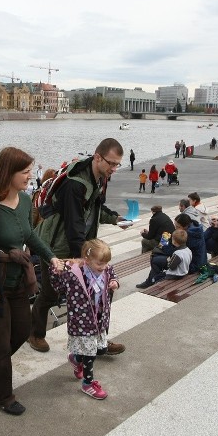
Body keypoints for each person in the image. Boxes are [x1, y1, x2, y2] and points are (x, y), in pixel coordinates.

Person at [0, 147, 61, 416]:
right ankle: (2, 396)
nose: (31, 176)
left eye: (30, 171)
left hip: (17, 281)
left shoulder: (26, 201)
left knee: (21, 330)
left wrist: (51, 257)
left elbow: (29, 236)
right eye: (25, 171)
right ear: (8, 173)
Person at [29, 138, 127, 355]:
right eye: (111, 163)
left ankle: (99, 341)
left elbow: (95, 208)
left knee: (100, 293)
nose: (114, 168)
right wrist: (84, 260)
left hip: (79, 244)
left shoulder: (99, 177)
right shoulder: (75, 184)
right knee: (51, 294)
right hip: (55, 247)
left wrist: (115, 219)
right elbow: (74, 224)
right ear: (98, 157)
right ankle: (35, 333)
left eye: (117, 164)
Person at [51, 239, 119, 400]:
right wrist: (56, 271)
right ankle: (88, 383)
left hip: (99, 318)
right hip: (81, 320)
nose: (103, 266)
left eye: (106, 263)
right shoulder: (74, 273)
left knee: (100, 349)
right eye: (99, 263)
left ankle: (75, 358)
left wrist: (115, 282)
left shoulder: (106, 269)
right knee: (91, 354)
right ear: (87, 260)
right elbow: (58, 286)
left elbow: (112, 274)